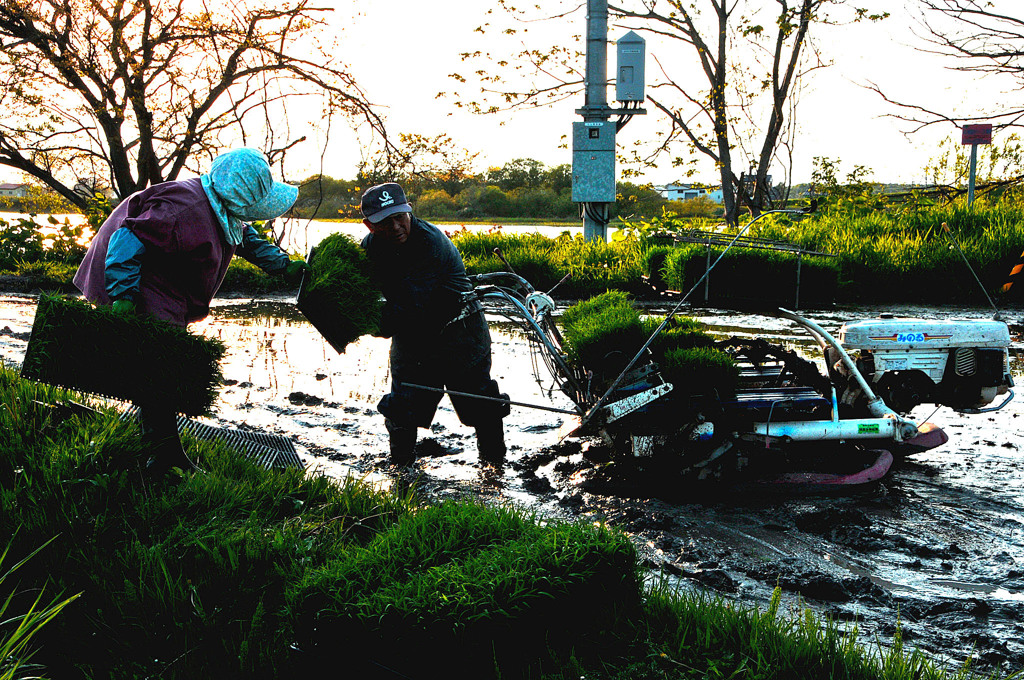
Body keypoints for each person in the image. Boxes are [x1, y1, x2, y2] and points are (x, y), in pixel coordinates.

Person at [73, 147, 307, 473]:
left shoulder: (224, 207)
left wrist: (283, 266)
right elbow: (126, 238)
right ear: (239, 195)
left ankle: (161, 449)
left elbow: (246, 237)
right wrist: (123, 297)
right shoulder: (183, 209)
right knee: (162, 366)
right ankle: (163, 457)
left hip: (163, 277)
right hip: (132, 276)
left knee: (159, 368)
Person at [359, 182, 508, 468]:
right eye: (385, 222)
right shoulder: (371, 247)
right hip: (414, 335)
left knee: (480, 405)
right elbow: (362, 288)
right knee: (403, 405)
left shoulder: (429, 243)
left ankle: (494, 470)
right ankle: (401, 471)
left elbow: (407, 310)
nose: (396, 227)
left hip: (459, 331)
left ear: (409, 211)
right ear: (369, 225)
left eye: (399, 217)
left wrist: (364, 324)